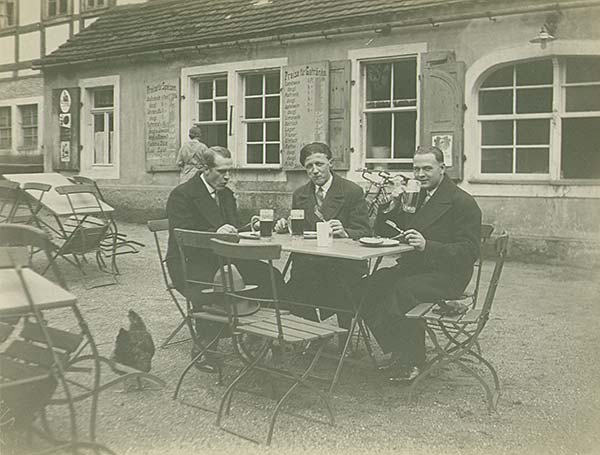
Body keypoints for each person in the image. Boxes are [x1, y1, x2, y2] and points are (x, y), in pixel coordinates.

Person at [361, 145, 481, 383]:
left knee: (402, 291)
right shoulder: (415, 196)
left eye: (427, 168)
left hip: (448, 275)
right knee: (370, 286)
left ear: (442, 169)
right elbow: (387, 232)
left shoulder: (461, 202)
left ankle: (413, 361)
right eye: (416, 169)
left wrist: (428, 246)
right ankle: (398, 351)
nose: (421, 174)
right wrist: (392, 206)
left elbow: (469, 252)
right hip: (416, 269)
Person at [166, 145, 284, 368]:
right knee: (219, 287)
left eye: (230, 171)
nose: (227, 177)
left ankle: (262, 338)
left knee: (270, 276)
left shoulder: (226, 194)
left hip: (225, 259)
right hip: (190, 261)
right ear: (204, 168)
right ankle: (204, 350)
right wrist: (215, 233)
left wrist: (251, 226)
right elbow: (182, 235)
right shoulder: (183, 194)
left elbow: (233, 227)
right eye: (221, 171)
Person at [275, 142, 371, 330]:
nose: (315, 170)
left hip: (343, 266)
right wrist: (285, 227)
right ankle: (314, 331)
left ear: (330, 163)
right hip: (309, 265)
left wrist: (345, 232)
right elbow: (299, 231)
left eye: (319, 164)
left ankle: (341, 336)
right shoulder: (300, 194)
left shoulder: (351, 191)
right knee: (290, 291)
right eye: (309, 166)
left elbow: (365, 232)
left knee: (337, 289)